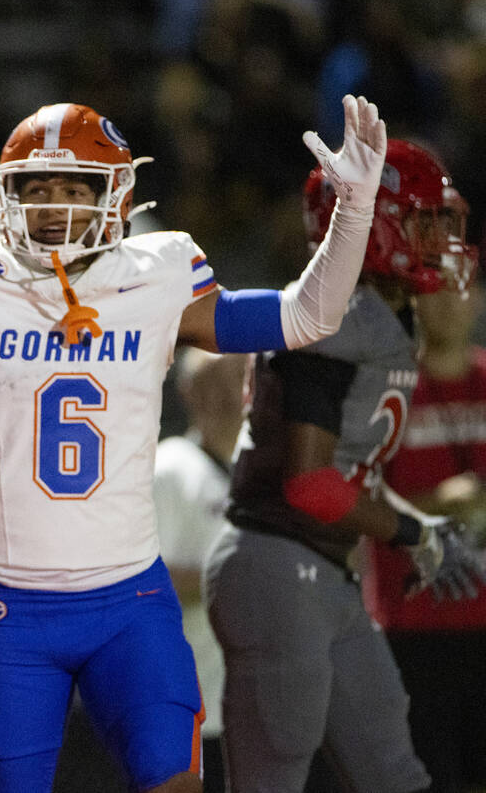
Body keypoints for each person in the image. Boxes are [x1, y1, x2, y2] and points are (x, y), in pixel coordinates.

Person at [0, 95, 387, 792]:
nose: (56, 203)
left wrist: (355, 210)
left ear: (113, 197)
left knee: (176, 784)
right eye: (38, 187)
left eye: (76, 187)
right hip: (9, 606)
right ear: (7, 197)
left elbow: (306, 316)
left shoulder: (157, 271)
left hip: (129, 603)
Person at [204, 139, 486, 792]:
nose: (441, 238)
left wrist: (422, 528)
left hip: (326, 570)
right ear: (377, 223)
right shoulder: (329, 318)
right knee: (273, 776)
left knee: (395, 770)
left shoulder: (385, 315)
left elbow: (354, 476)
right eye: (424, 221)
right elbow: (310, 484)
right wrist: (414, 532)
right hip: (276, 562)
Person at [363, 257, 486, 792]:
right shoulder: (391, 387)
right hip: (413, 624)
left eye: (460, 291)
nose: (449, 304)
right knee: (426, 776)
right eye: (434, 292)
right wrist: (441, 500)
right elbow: (357, 493)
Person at [152, 348, 247, 793]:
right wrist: (246, 575)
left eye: (240, 378)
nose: (231, 394)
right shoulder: (169, 467)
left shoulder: (269, 470)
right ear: (188, 392)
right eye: (216, 381)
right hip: (190, 703)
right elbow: (149, 583)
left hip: (256, 705)